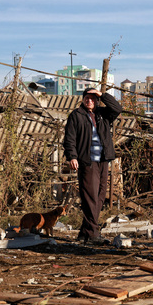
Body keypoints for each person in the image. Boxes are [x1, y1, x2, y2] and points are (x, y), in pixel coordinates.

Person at [64, 88, 122, 244]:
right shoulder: (76, 116)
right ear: (83, 100)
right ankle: (93, 233)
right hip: (87, 160)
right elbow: (69, 138)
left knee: (100, 195)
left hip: (103, 159)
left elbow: (118, 108)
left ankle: (85, 232)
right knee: (90, 196)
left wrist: (102, 94)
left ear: (96, 100)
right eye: (86, 98)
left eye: (92, 98)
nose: (89, 100)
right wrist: (72, 156)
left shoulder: (103, 114)